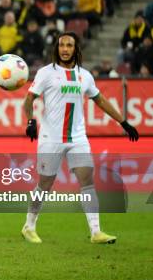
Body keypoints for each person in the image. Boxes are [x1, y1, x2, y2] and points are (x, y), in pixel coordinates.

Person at [22, 32, 139, 244]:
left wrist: (123, 122)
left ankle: (96, 232)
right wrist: (30, 121)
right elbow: (29, 100)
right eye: (62, 45)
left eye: (69, 45)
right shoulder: (46, 73)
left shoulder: (85, 75)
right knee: (45, 184)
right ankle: (29, 226)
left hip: (78, 137)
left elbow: (101, 100)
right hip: (51, 138)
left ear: (76, 49)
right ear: (56, 49)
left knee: (87, 181)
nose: (65, 49)